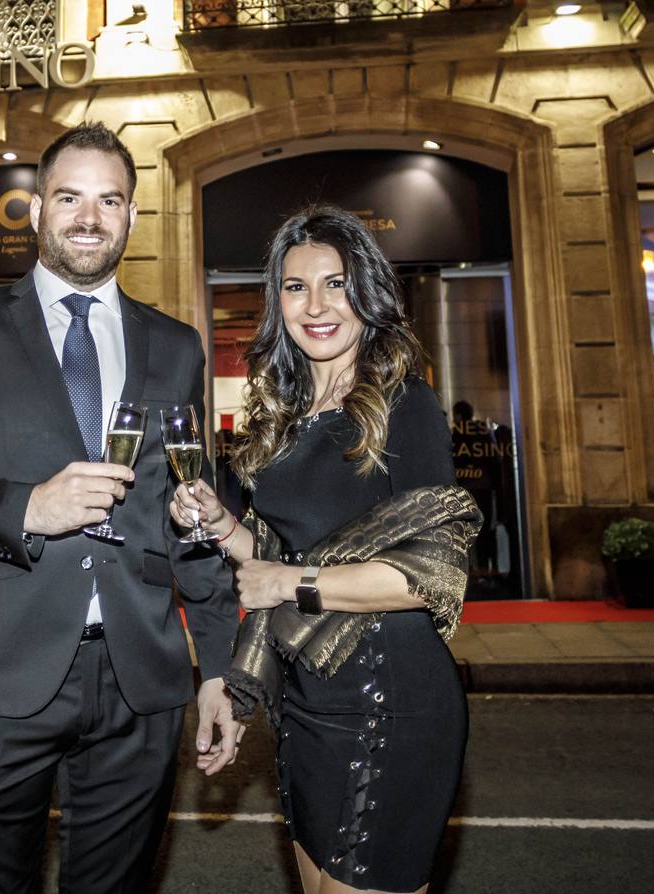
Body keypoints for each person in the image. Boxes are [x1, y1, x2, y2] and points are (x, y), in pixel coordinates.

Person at [0, 122, 241, 894]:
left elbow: (191, 515)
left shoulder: (174, 346)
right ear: (38, 208)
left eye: (109, 199)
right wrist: (26, 508)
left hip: (139, 678)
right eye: (70, 197)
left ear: (132, 217)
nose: (89, 217)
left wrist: (219, 668)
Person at [172, 205, 481, 894]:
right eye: (294, 287)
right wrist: (223, 526)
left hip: (388, 701)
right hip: (307, 701)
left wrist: (285, 584)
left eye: (334, 284)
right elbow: (277, 554)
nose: (314, 305)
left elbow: (431, 575)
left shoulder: (405, 404)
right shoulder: (282, 417)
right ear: (274, 301)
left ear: (365, 293)